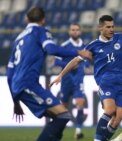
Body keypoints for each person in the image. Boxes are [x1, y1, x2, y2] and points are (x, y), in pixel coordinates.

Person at [50, 15, 122, 141]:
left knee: (118, 118)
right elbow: (75, 61)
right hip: (106, 81)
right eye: (108, 27)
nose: (111, 29)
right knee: (110, 110)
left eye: (112, 26)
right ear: (100, 27)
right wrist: (61, 75)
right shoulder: (93, 46)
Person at [7, 7, 88, 141]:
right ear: (43, 20)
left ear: (27, 19)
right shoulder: (40, 31)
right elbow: (51, 49)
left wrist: (15, 102)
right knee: (63, 115)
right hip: (28, 84)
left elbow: (10, 74)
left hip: (20, 85)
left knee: (61, 116)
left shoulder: (18, 39)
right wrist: (77, 52)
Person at [53, 23, 92, 139]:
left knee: (80, 103)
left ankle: (78, 131)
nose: (75, 32)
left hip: (78, 80)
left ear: (80, 32)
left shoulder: (85, 47)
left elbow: (87, 61)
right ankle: (58, 129)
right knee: (63, 107)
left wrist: (85, 65)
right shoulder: (64, 45)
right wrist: (69, 65)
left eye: (77, 30)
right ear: (69, 32)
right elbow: (56, 61)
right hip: (66, 80)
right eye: (73, 30)